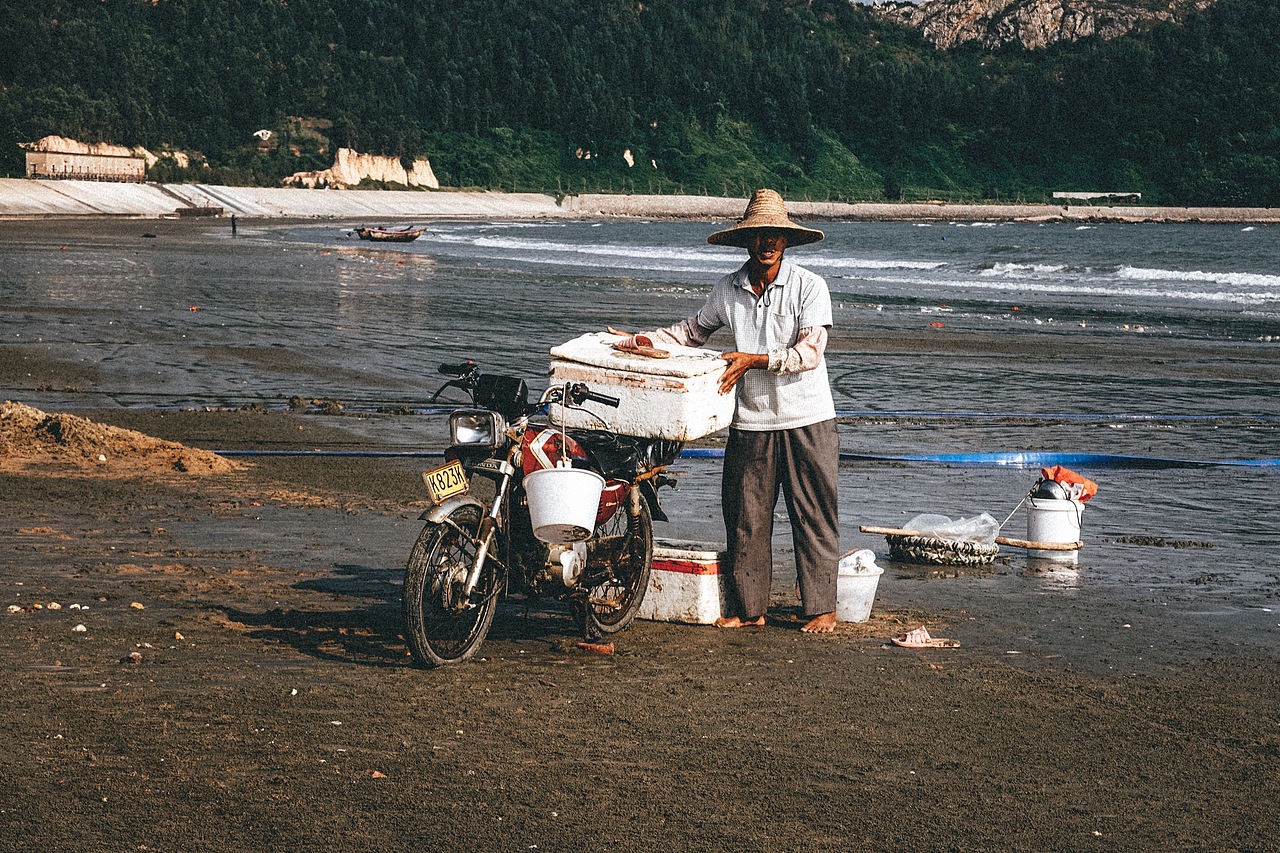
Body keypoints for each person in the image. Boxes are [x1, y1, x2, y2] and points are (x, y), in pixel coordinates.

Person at [618, 189, 840, 633]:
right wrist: (644, 342)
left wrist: (752, 360)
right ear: (746, 240)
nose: (767, 242)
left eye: (775, 234)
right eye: (759, 235)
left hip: (808, 417)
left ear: (786, 239)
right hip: (750, 420)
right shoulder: (728, 289)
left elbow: (810, 352)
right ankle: (750, 608)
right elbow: (691, 332)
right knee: (745, 517)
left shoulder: (809, 287)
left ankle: (821, 608)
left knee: (813, 514)